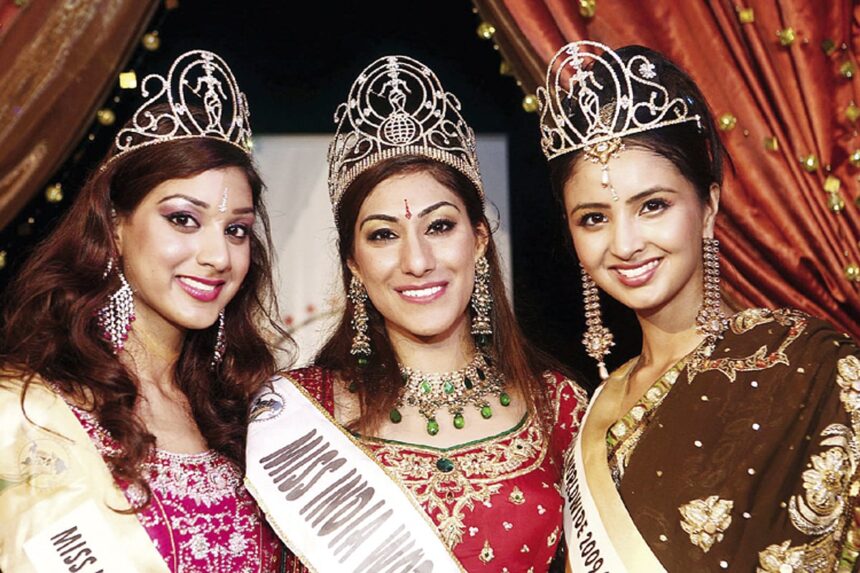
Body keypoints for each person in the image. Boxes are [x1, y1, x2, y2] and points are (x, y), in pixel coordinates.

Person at [245, 55, 588, 572]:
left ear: (478, 240)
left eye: (440, 226)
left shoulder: (558, 407)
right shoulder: (295, 412)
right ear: (354, 265)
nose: (417, 261)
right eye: (384, 234)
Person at [536, 41, 860, 572]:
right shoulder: (593, 410)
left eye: (653, 206)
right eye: (593, 217)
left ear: (707, 208)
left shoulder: (804, 365)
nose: (624, 243)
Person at [0, 50, 288, 572]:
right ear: (115, 226)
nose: (217, 256)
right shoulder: (28, 410)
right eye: (183, 219)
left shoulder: (244, 412)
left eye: (236, 229)